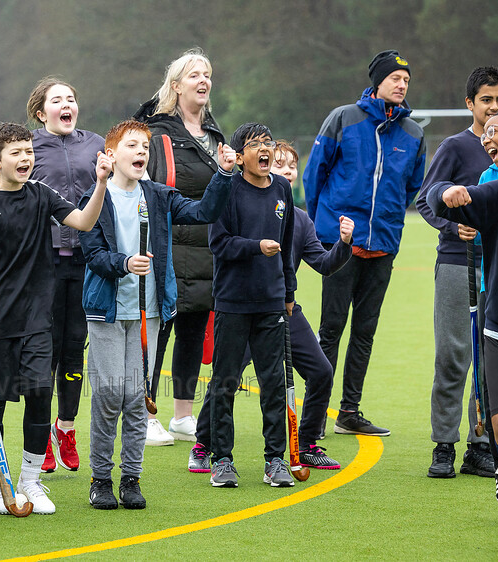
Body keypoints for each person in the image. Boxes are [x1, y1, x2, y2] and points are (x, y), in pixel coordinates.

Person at [79, 119, 234, 509]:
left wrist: (224, 174)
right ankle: (100, 478)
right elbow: (93, 255)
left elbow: (204, 212)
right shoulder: (96, 197)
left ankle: (130, 479)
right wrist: (125, 263)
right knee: (111, 392)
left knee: (136, 398)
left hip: (149, 313)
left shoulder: (160, 195)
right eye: (133, 145)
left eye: (145, 146)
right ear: (111, 155)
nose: (142, 152)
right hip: (107, 311)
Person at [0, 122, 108, 515]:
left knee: (41, 395)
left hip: (37, 320)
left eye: (29, 151)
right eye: (16, 153)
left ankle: (30, 482)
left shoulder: (43, 195)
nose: (25, 158)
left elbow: (84, 222)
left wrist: (101, 183)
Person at [188, 141, 353, 473]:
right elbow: (220, 242)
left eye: (292, 165)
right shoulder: (238, 196)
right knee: (228, 378)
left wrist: (345, 245)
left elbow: (322, 262)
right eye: (280, 163)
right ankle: (205, 444)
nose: (287, 170)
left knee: (321, 372)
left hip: (282, 307)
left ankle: (304, 443)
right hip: (240, 305)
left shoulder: (299, 218)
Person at [303, 49, 426, 436]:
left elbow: (411, 188)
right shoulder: (344, 118)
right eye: (395, 78)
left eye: (406, 79)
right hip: (341, 245)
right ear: (378, 81)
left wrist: (385, 222)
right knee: (331, 328)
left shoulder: (414, 133)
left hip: (384, 246)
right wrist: (325, 229)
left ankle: (350, 411)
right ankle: (316, 413)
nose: (402, 84)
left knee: (365, 331)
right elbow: (314, 176)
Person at [415, 67, 498, 479]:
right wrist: (454, 226)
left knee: (491, 361)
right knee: (454, 354)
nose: (493, 108)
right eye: (486, 100)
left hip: (497, 268)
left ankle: (481, 444)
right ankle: (444, 445)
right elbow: (426, 200)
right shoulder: (455, 146)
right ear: (470, 103)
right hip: (457, 261)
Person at [428, 115, 498, 549]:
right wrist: (450, 202)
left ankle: (494, 458)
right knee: (458, 363)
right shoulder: (491, 178)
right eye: (486, 108)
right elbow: (437, 199)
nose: (487, 136)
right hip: (487, 298)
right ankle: (448, 445)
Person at [133, 48, 225, 446]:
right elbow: (144, 189)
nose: (203, 80)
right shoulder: (157, 134)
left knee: (193, 327)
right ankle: (144, 411)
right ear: (175, 86)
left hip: (207, 247)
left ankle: (182, 415)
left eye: (207, 74)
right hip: (167, 246)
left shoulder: (216, 135)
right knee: (160, 329)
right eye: (194, 75)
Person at [206, 123, 296, 488]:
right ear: (240, 155)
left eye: (268, 143)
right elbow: (220, 244)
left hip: (271, 301)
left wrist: (288, 292)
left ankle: (275, 459)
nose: (264, 150)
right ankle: (222, 459)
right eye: (254, 145)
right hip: (232, 301)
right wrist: (255, 246)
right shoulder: (228, 189)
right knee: (224, 382)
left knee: (273, 383)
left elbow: (287, 244)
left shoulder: (282, 188)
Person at [27, 77, 105, 473]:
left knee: (76, 347)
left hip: (86, 262)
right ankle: (40, 434)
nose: (66, 105)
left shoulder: (95, 145)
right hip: (44, 263)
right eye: (57, 100)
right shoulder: (28, 148)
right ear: (41, 113)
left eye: (71, 99)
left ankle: (67, 428)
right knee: (47, 348)